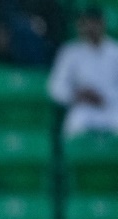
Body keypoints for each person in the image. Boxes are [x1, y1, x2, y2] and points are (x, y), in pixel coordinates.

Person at [48, 6, 118, 139]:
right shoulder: (70, 52)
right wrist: (76, 95)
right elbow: (55, 87)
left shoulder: (115, 52)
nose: (90, 28)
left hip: (112, 108)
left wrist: (105, 97)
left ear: (102, 23)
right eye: (85, 24)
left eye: (94, 23)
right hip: (82, 109)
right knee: (75, 127)